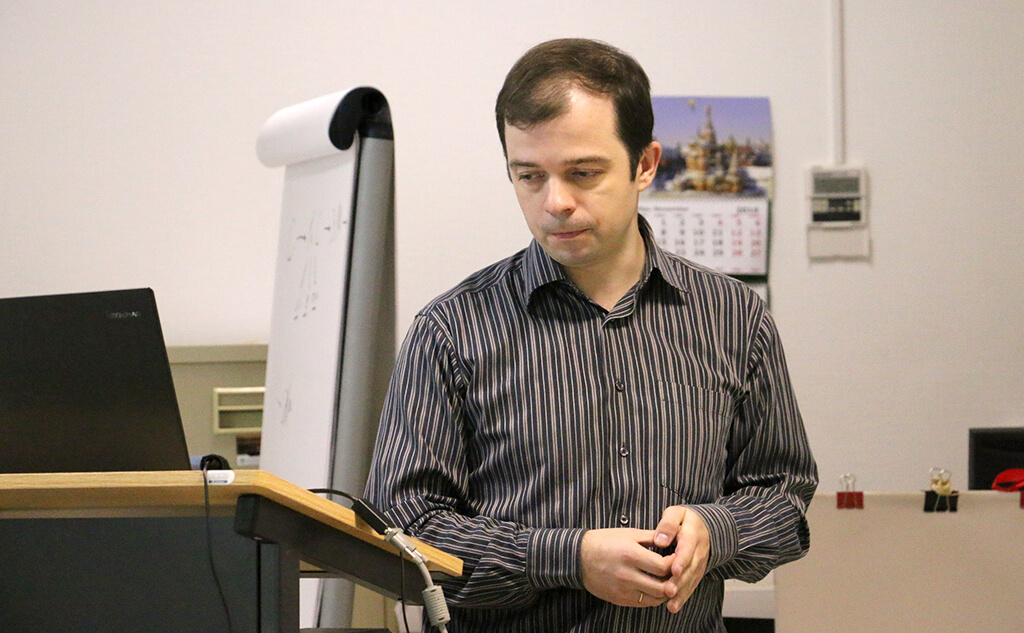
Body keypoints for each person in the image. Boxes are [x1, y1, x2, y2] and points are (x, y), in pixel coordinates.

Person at [365, 38, 818, 633]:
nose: (555, 202)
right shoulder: (451, 331)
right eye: (529, 176)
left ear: (645, 164)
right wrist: (568, 559)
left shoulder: (733, 318)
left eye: (583, 173)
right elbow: (401, 533)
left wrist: (717, 530)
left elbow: (785, 501)